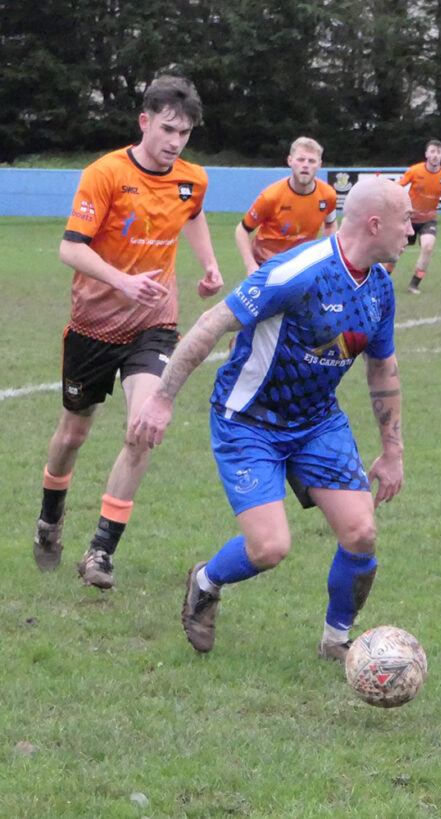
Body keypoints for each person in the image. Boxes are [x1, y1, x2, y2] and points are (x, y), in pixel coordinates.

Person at [129, 176, 412, 662]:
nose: (413, 230)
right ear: (375, 223)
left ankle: (336, 643)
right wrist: (161, 397)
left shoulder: (380, 288)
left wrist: (392, 450)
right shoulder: (296, 272)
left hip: (317, 423)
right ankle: (206, 581)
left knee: (361, 533)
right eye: (407, 220)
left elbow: (382, 367)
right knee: (269, 548)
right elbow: (212, 323)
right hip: (249, 422)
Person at [32, 74, 223, 588]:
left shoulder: (192, 179)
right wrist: (121, 281)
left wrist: (208, 265)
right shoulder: (105, 174)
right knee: (74, 432)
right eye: (167, 129)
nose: (175, 142)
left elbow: (195, 214)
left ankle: (100, 552)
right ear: (144, 122)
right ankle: (51, 516)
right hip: (93, 325)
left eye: (184, 133)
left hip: (154, 326)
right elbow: (70, 248)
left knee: (145, 428)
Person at [234, 136, 338, 275]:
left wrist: (326, 257)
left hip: (301, 267)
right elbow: (242, 230)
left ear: (320, 164)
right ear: (290, 161)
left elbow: (330, 224)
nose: (305, 165)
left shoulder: (328, 195)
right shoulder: (270, 197)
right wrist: (251, 266)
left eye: (311, 161)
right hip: (266, 265)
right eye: (300, 159)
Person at [395, 138, 441, 294]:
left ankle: (414, 284)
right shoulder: (415, 171)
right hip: (409, 219)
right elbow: (398, 187)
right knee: (396, 250)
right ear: (426, 154)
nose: (435, 155)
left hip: (428, 220)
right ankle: (382, 278)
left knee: (428, 246)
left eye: (438, 152)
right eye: (432, 151)